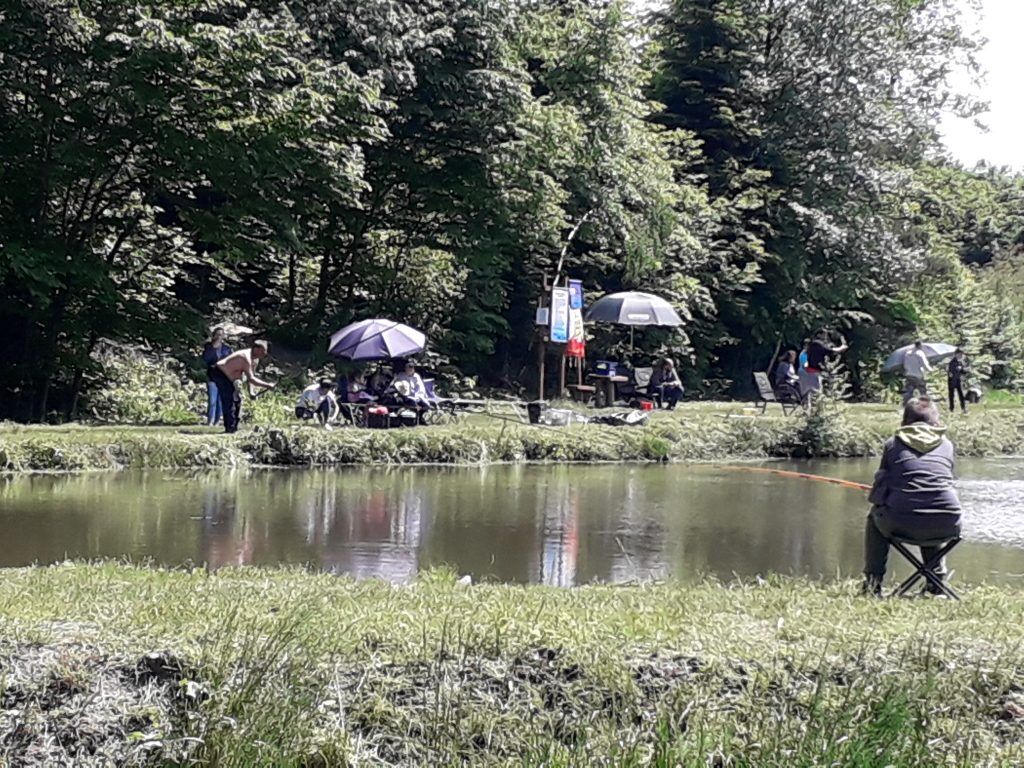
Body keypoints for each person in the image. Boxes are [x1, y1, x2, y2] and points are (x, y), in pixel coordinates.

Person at [862, 397, 962, 597]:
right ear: (935, 422)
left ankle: (873, 584)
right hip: (949, 523)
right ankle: (936, 583)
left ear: (905, 421)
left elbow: (879, 493)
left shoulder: (893, 444)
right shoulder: (947, 445)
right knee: (932, 511)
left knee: (874, 518)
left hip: (902, 523)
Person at [210, 340, 275, 434]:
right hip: (219, 373)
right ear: (256, 349)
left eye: (265, 351)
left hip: (230, 378)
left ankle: (234, 427)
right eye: (262, 351)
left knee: (237, 400)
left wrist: (251, 391)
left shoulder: (255, 360)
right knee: (228, 400)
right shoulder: (245, 357)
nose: (264, 354)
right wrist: (267, 385)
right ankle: (230, 428)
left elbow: (250, 377)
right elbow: (251, 378)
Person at [799, 329, 848, 405]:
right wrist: (841, 348)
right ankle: (813, 406)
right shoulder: (817, 344)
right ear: (819, 335)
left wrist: (839, 349)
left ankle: (811, 405)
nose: (826, 337)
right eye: (824, 334)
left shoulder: (814, 344)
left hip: (813, 370)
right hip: (813, 371)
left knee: (813, 391)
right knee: (816, 391)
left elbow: (829, 351)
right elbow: (830, 350)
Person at [201, 328, 232, 426]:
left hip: (223, 376)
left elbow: (230, 361)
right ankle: (210, 420)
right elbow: (206, 359)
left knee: (220, 401)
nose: (219, 336)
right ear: (214, 335)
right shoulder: (208, 347)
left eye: (221, 334)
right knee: (212, 400)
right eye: (217, 334)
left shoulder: (227, 349)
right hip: (212, 377)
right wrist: (213, 347)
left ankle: (217, 421)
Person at [902, 340, 932, 406]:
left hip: (909, 374)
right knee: (922, 391)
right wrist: (931, 370)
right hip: (918, 375)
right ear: (920, 345)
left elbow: (905, 365)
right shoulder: (920, 353)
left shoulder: (908, 353)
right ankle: (924, 405)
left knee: (909, 391)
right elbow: (925, 364)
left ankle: (906, 405)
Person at [947, 348, 969, 414]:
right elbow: (950, 371)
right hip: (952, 381)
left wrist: (964, 369)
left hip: (958, 380)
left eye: (961, 354)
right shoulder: (952, 362)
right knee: (951, 395)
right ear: (956, 354)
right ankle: (951, 409)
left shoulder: (960, 362)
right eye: (960, 354)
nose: (961, 355)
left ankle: (963, 408)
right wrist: (958, 369)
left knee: (961, 395)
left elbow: (962, 371)